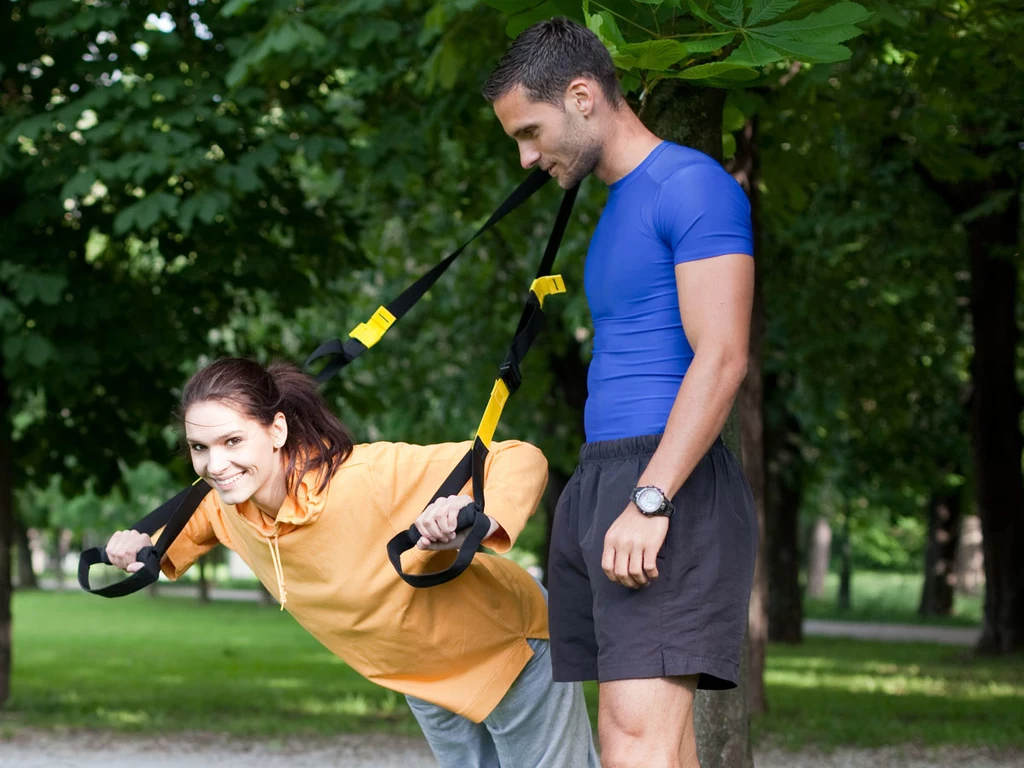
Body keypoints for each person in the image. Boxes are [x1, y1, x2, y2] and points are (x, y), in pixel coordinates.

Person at [482, 17, 758, 768]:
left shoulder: (691, 185)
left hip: (665, 486)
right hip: (605, 476)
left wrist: (651, 498)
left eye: (531, 132)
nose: (526, 157)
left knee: (633, 742)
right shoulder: (613, 209)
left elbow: (723, 356)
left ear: (582, 96)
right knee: (652, 745)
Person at [104, 357, 599, 768]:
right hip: (421, 676)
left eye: (233, 441)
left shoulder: (365, 477)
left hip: (508, 650)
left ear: (276, 429)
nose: (215, 465)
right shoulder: (224, 506)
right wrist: (132, 550)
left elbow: (518, 457)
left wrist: (478, 519)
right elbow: (161, 545)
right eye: (200, 448)